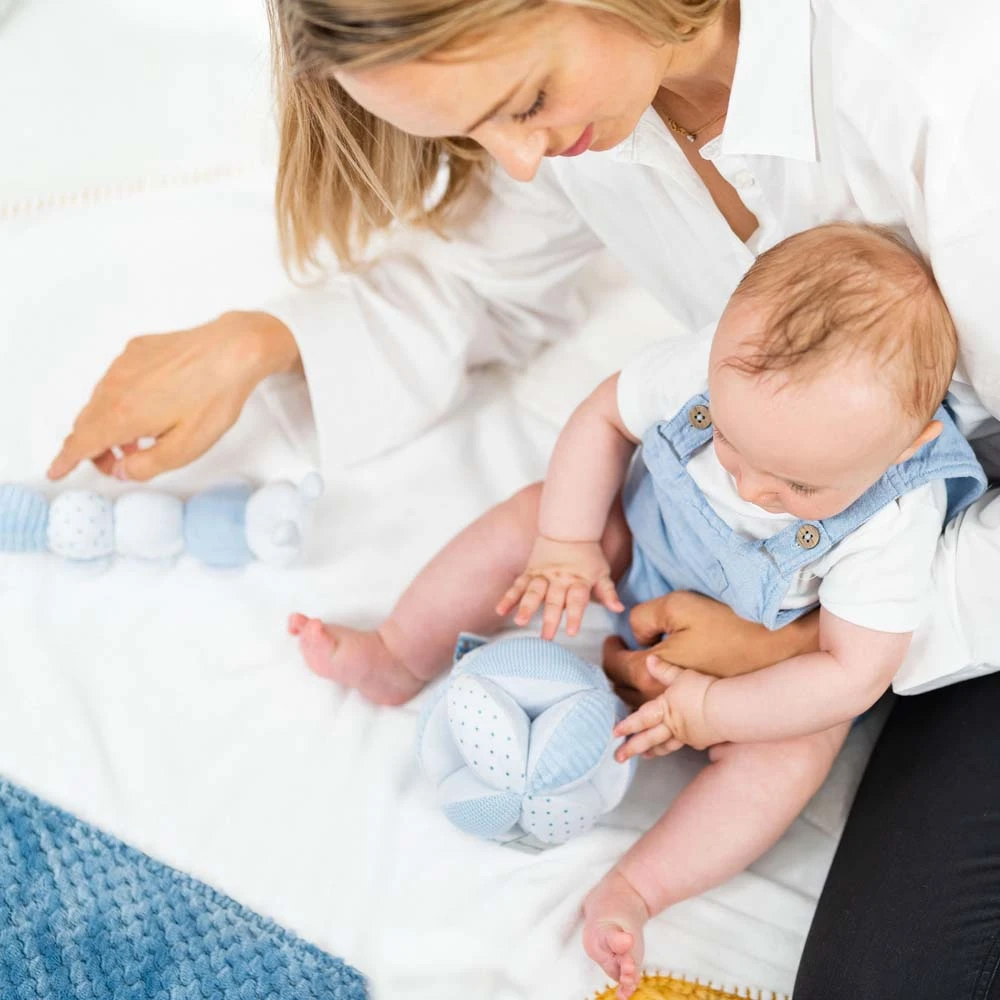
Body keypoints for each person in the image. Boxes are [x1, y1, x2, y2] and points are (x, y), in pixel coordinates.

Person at [46, 0, 1000, 994]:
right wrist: (259, 343)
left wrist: (800, 654)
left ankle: (646, 876)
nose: (521, 162)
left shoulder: (945, 94)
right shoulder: (603, 109)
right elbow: (482, 283)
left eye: (526, 102)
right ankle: (395, 654)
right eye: (474, 130)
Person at [291, 222, 985, 995]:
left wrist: (716, 709)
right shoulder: (707, 368)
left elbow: (851, 673)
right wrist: (568, 541)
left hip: (764, 659)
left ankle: (636, 889)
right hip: (643, 557)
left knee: (797, 749)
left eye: (797, 489)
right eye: (730, 444)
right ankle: (398, 652)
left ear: (905, 447)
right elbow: (605, 417)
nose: (754, 489)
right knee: (529, 514)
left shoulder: (896, 513)